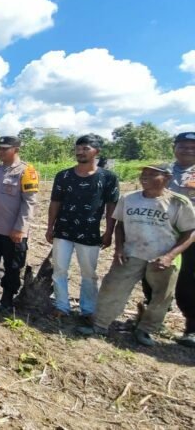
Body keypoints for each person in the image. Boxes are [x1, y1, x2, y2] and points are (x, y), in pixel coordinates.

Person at [78, 165, 195, 346]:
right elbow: (120, 225)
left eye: (151, 174)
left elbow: (190, 233)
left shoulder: (178, 202)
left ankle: (146, 330)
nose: (144, 177)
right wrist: (119, 249)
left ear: (167, 178)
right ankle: (99, 325)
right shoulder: (129, 199)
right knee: (112, 287)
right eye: (143, 174)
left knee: (161, 296)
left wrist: (169, 256)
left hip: (162, 257)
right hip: (131, 253)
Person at [46, 135, 119, 320]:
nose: (80, 152)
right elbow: (55, 202)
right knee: (60, 270)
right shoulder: (63, 176)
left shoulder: (108, 178)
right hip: (63, 230)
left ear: (97, 151)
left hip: (89, 233)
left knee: (89, 273)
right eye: (78, 149)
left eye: (85, 148)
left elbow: (112, 206)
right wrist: (49, 227)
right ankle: (62, 306)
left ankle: (87, 309)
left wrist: (109, 232)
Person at [0, 136, 39, 309]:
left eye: (5, 149)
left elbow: (29, 202)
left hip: (13, 231)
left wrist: (20, 228)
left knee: (12, 266)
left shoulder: (26, 171)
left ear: (16, 150)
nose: (1, 151)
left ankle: (7, 297)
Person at [168, 132, 195, 347]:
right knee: (154, 274)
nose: (187, 149)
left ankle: (191, 328)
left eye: (192, 146)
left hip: (192, 235)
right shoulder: (164, 170)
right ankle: (153, 316)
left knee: (189, 280)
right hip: (163, 232)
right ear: (175, 148)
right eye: (183, 146)